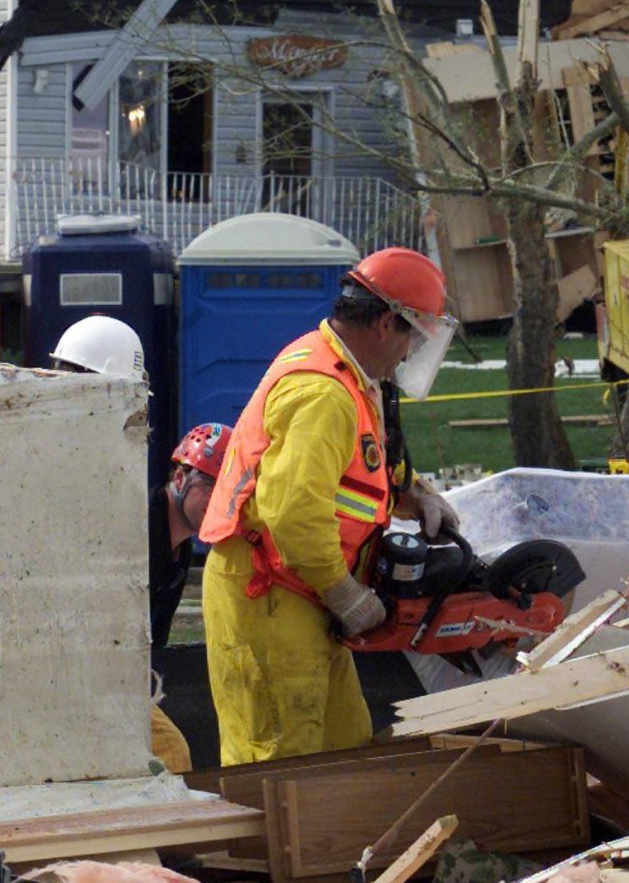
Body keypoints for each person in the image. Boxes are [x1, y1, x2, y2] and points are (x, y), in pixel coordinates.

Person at [200, 247, 459, 765]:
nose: (410, 354)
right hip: (271, 593)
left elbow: (351, 471)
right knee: (282, 760)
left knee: (343, 746)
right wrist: (345, 593)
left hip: (303, 591)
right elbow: (294, 511)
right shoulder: (324, 393)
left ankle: (336, 848)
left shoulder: (347, 376)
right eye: (412, 337)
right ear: (387, 324)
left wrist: (412, 494)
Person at [50, 315, 192, 774]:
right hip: (69, 671)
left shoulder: (86, 463)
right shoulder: (72, 466)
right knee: (169, 758)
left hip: (90, 670)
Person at [149, 422, 231, 649]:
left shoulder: (180, 549)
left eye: (225, 492)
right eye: (209, 486)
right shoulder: (141, 529)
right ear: (179, 477)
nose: (217, 501)